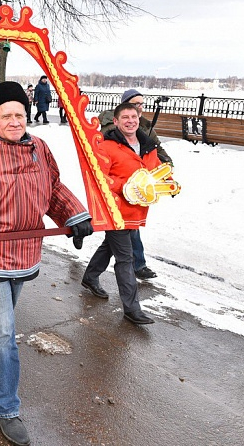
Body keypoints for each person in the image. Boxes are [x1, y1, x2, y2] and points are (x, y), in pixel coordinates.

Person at [0, 81, 93, 446]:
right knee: (5, 333)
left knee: (3, 312)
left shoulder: (39, 148)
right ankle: (7, 409)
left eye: (20, 115)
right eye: (6, 115)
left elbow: (54, 188)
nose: (15, 121)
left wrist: (74, 215)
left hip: (26, 249)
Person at [81, 101, 160, 325]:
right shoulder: (107, 146)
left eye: (133, 117)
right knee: (126, 258)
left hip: (136, 211)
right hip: (114, 209)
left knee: (111, 246)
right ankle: (131, 308)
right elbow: (99, 177)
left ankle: (90, 276)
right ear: (115, 122)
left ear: (139, 119)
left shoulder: (148, 146)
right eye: (124, 118)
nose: (130, 121)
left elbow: (154, 173)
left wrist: (166, 183)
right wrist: (125, 186)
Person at [98, 89, 172, 279]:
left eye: (141, 104)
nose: (140, 108)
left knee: (117, 238)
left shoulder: (144, 125)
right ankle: (136, 270)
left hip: (139, 188)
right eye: (136, 104)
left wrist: (166, 169)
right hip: (120, 189)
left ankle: (91, 276)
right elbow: (111, 153)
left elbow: (156, 148)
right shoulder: (112, 125)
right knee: (126, 235)